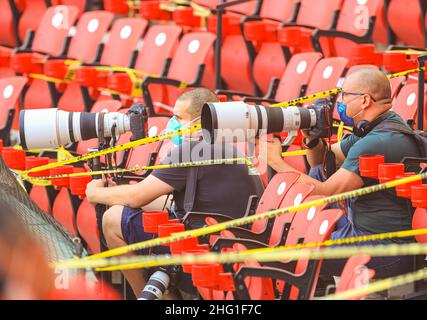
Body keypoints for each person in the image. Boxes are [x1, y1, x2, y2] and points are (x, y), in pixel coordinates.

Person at [86, 88, 264, 299]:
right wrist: (118, 193)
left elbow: (137, 196)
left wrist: (95, 193)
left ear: (200, 122)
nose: (172, 123)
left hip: (204, 255)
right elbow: (163, 200)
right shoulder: (230, 148)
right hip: (227, 251)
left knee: (112, 219)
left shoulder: (192, 149)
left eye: (178, 118)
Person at [263, 68, 421, 279]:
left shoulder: (378, 141)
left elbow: (326, 192)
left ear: (365, 100)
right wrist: (312, 139)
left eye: (345, 95)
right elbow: (322, 162)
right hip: (363, 230)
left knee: (297, 257)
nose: (340, 101)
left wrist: (276, 162)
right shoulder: (378, 126)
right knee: (320, 171)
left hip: (385, 248)